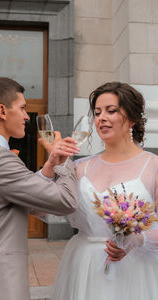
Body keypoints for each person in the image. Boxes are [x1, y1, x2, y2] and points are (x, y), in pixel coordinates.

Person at [0, 77, 80, 300]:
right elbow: (66, 201)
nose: (26, 116)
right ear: (2, 111)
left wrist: (50, 165)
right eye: (23, 108)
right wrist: (64, 162)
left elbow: (26, 198)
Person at [48, 81, 158, 300]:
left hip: (134, 269)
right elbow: (43, 208)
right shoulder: (80, 167)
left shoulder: (153, 166)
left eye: (111, 111)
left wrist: (135, 240)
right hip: (84, 265)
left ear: (132, 119)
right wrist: (51, 165)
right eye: (97, 112)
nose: (101, 118)